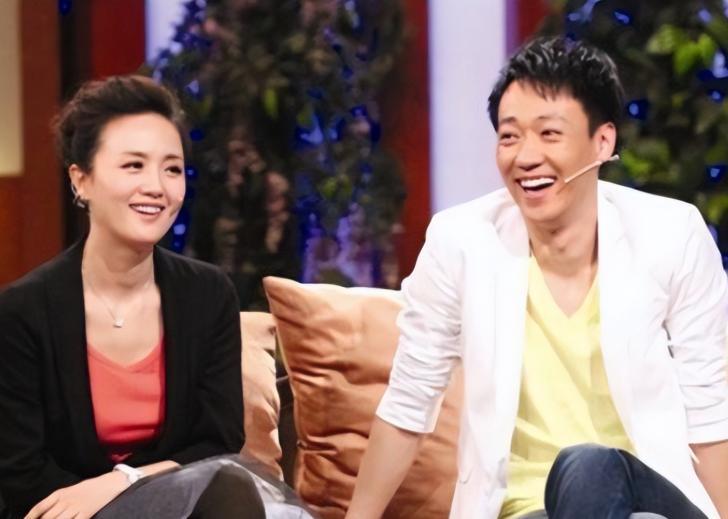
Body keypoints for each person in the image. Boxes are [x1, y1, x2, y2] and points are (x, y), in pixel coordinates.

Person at [346, 37, 728, 519]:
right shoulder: (460, 242)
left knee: (591, 468)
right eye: (509, 137)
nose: (525, 157)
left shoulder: (671, 233)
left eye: (549, 134)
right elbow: (409, 403)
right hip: (525, 511)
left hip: (654, 501)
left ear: (603, 142)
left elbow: (711, 410)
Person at [0, 75, 249, 519]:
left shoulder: (208, 294)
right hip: (63, 514)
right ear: (81, 180)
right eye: (134, 165)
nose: (157, 186)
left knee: (232, 489)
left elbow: (218, 443)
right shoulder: (23, 311)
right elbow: (22, 473)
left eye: (172, 169)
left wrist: (124, 481)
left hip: (183, 509)